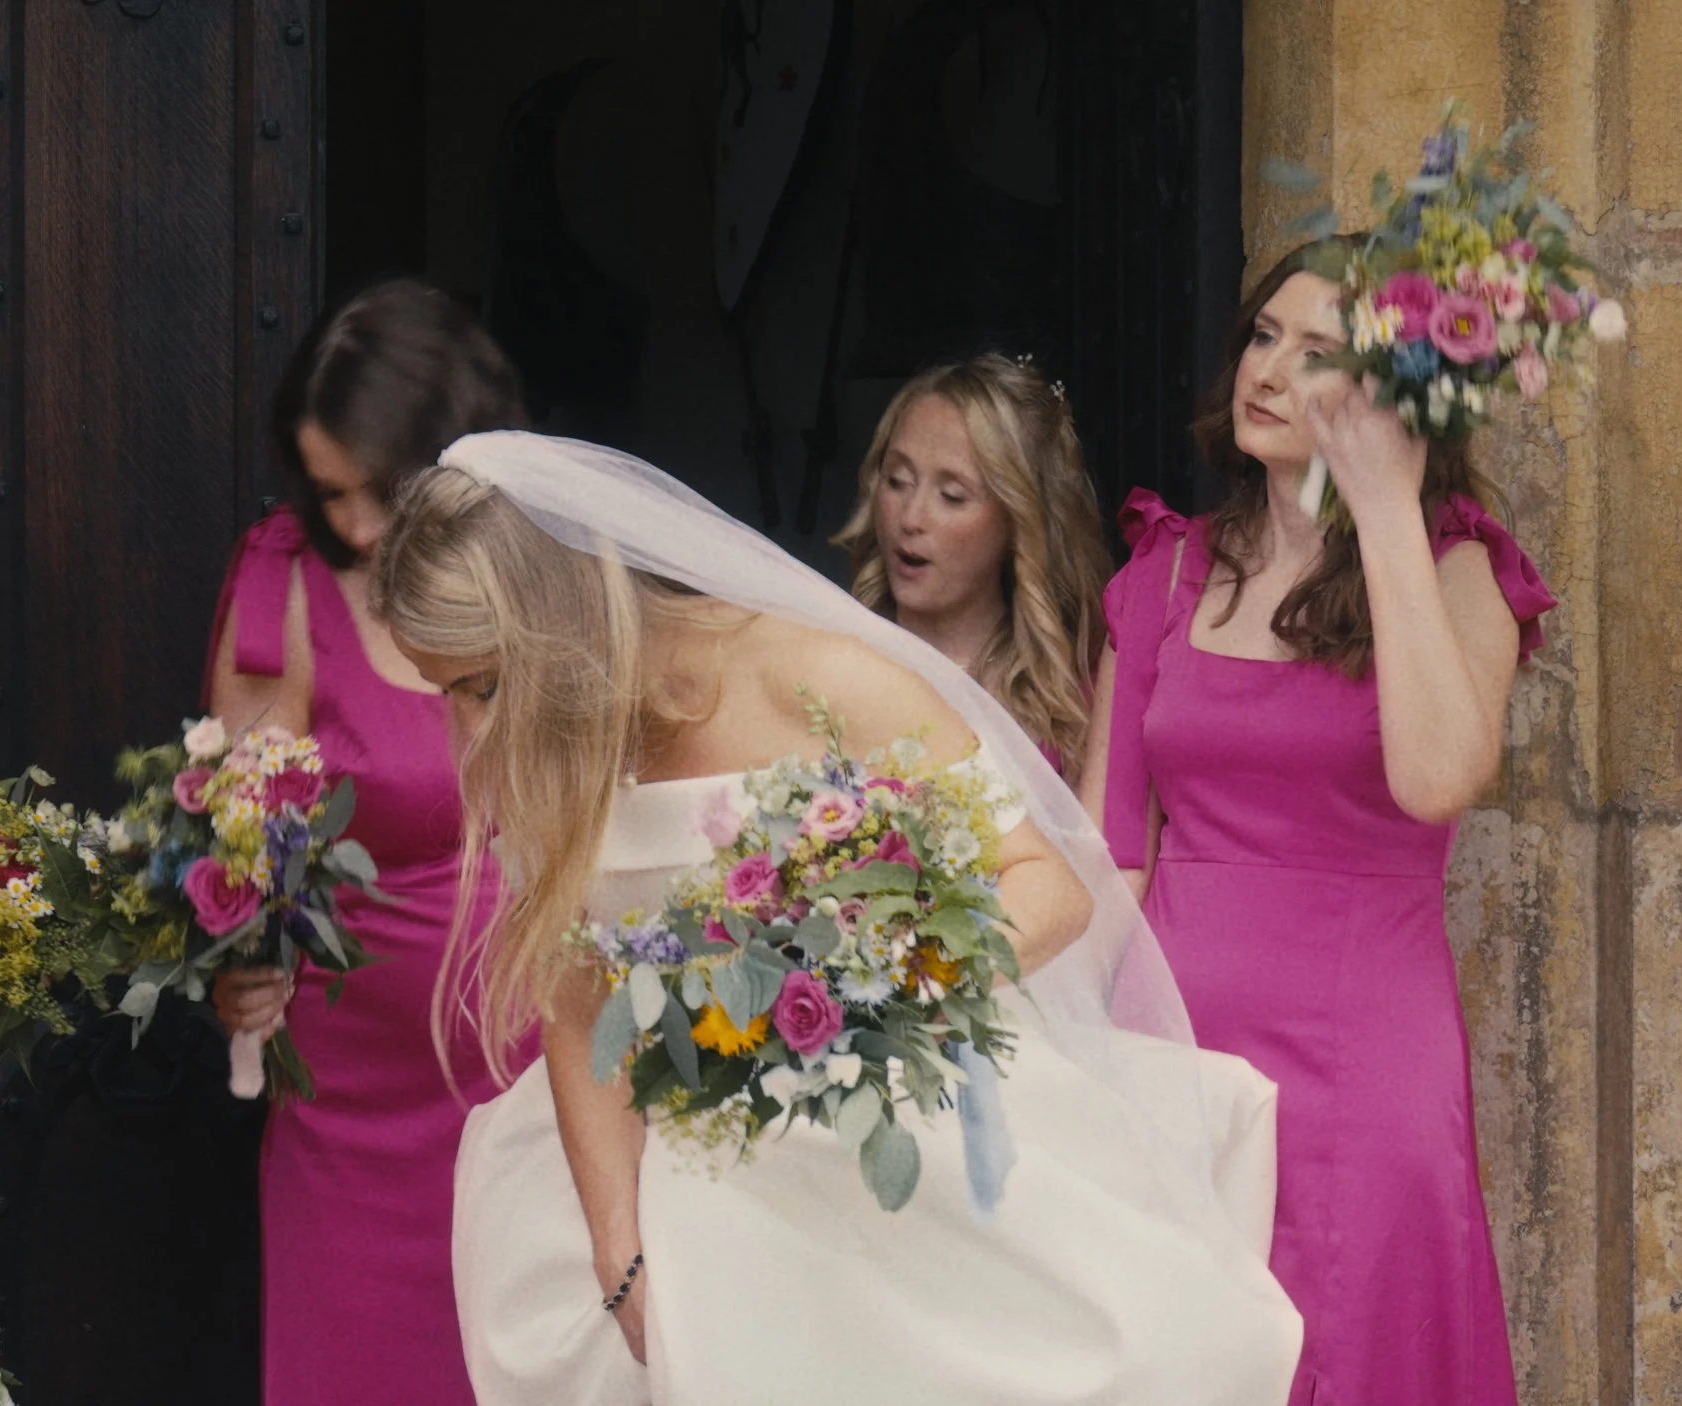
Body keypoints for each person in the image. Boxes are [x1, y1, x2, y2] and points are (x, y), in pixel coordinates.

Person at [372, 431, 1302, 1404]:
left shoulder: (810, 674)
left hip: (883, 1120)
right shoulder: (552, 747)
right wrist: (620, 1249)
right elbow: (577, 991)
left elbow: (1044, 884)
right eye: (450, 693)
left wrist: (859, 1000)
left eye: (481, 684)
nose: (469, 732)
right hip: (672, 1157)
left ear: (559, 628)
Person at [1079, 244, 1554, 1404]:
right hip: (1174, 1043)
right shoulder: (1165, 571)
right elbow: (1109, 857)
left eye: (1321, 355)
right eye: (1262, 336)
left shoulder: (1455, 572)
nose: (1272, 370)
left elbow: (1441, 773)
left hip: (1363, 1060)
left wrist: (1386, 506)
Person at [200, 278, 526, 1405]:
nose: (355, 523)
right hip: (354, 1103)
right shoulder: (284, 583)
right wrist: (237, 964)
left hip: (532, 1073)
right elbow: (237, 844)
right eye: (330, 490)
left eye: (378, 488)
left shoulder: (543, 571)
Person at [831, 353, 1108, 775]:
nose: (910, 518)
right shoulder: (828, 668)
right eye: (897, 482)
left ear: (1019, 519)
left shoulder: (1071, 708)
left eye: (952, 496)